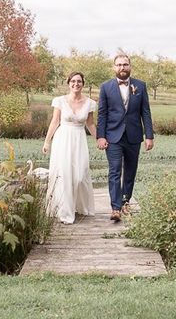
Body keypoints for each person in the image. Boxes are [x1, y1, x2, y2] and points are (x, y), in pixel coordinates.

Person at [96, 54, 154, 222]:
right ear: (114, 67)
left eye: (125, 65)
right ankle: (115, 208)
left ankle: (125, 203)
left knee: (130, 172)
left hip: (134, 136)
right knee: (114, 171)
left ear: (130, 67)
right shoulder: (106, 87)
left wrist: (149, 135)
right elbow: (102, 114)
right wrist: (100, 136)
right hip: (113, 136)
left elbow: (146, 112)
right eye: (119, 65)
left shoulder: (140, 86)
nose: (122, 68)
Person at [42, 71, 97, 224]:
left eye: (79, 81)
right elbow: (55, 121)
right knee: (64, 174)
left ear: (83, 84)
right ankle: (64, 211)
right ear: (68, 83)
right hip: (62, 139)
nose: (76, 84)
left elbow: (90, 124)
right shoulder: (59, 101)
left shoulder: (89, 103)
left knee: (80, 176)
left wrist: (99, 139)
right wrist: (47, 142)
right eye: (73, 81)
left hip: (79, 139)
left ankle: (79, 206)